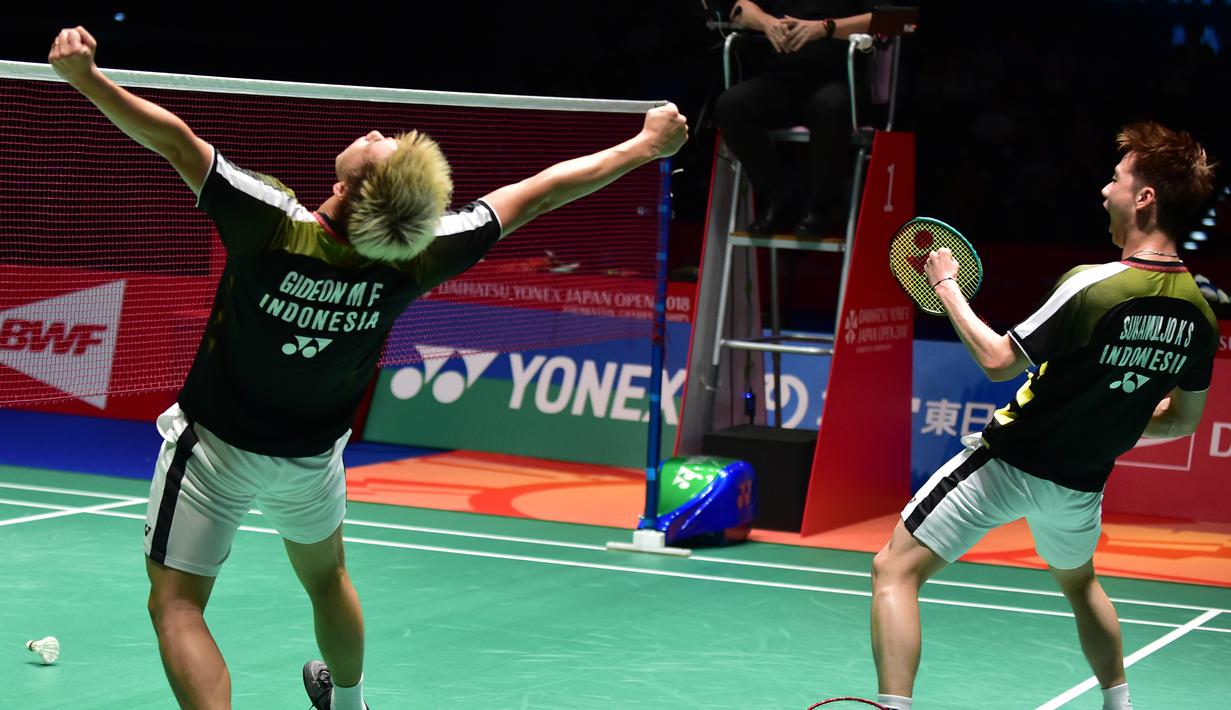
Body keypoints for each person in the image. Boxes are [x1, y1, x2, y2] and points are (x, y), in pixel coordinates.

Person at [49, 25, 687, 710]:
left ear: (350, 186)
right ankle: (349, 706)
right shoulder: (416, 254)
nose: (381, 132)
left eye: (381, 149)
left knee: (177, 604)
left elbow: (175, 141)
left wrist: (86, 79)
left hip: (216, 449)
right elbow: (539, 193)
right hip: (309, 459)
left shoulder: (272, 223)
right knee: (327, 581)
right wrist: (646, 146)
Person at [869, 121, 1218, 710]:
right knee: (1080, 583)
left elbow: (999, 361)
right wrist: (1111, 420)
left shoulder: (1095, 284)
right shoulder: (1199, 315)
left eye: (1115, 179)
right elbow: (1182, 421)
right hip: (1081, 486)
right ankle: (1118, 704)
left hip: (1009, 463)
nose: (1104, 191)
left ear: (1145, 197)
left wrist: (947, 287)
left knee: (894, 570)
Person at [715, 0, 873, 238]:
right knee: (732, 105)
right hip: (784, 80)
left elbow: (892, 20)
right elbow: (740, 10)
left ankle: (821, 208)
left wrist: (825, 28)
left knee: (828, 106)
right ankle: (778, 197)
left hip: (841, 80)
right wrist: (766, 23)